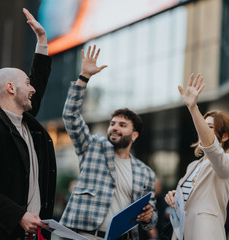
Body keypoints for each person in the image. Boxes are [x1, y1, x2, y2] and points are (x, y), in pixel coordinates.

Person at [0, 8, 56, 240]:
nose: (33, 88)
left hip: (37, 236)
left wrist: (42, 40)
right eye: (27, 83)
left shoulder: (29, 125)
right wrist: (19, 216)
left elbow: (40, 83)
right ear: (10, 88)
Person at [59, 45, 158, 240]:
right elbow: (70, 116)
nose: (115, 127)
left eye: (122, 125)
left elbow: (152, 218)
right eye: (113, 123)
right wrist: (84, 77)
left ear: (134, 135)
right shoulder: (92, 147)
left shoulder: (145, 172)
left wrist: (149, 217)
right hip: (83, 235)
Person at [164, 74, 229, 240]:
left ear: (225, 136)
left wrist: (193, 108)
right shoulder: (193, 166)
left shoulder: (228, 162)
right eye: (202, 126)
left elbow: (212, 148)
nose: (202, 130)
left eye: (209, 127)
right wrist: (175, 197)